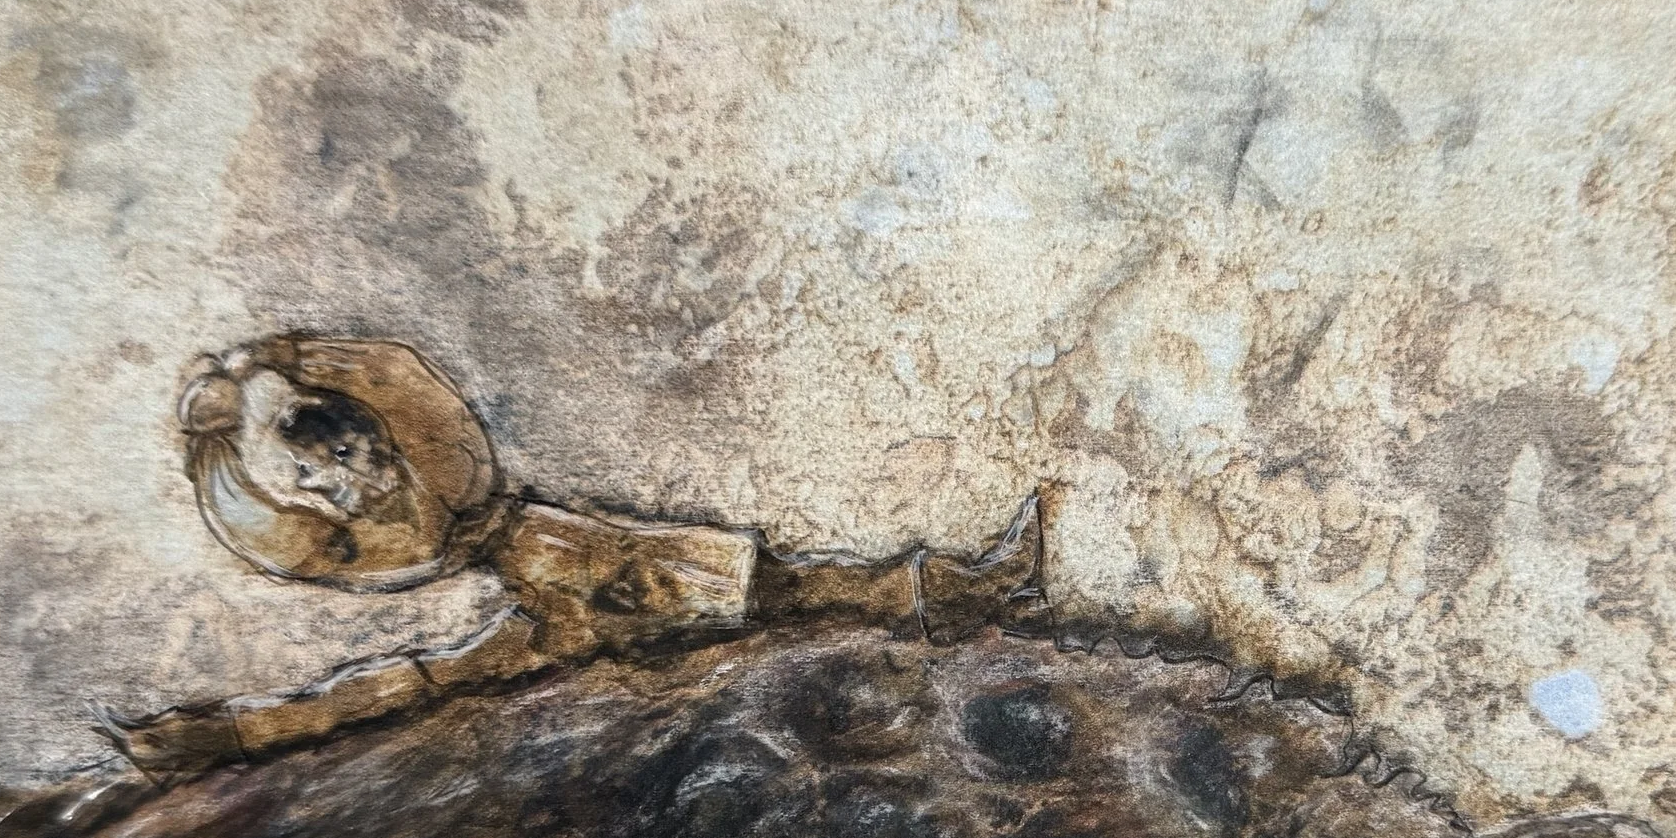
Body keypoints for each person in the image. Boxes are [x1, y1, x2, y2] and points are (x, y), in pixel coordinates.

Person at [99, 336, 1048, 779]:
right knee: (417, 696)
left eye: (345, 448)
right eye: (321, 475)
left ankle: (953, 595)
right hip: (542, 584)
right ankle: (228, 742)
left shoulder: (462, 487)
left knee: (756, 587)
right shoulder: (416, 528)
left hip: (546, 561)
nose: (350, 476)